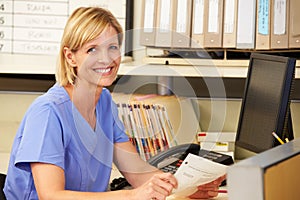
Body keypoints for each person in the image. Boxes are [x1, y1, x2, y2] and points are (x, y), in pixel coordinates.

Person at [3, 6, 225, 200]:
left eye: (112, 47)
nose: (106, 59)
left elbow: (136, 173)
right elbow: (51, 196)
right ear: (71, 57)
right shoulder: (48, 112)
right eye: (92, 49)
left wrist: (185, 188)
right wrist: (132, 196)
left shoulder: (104, 103)